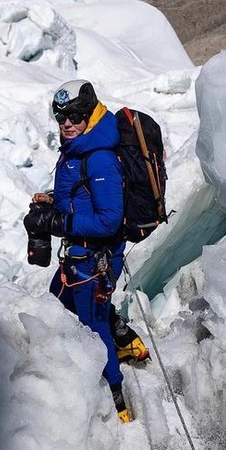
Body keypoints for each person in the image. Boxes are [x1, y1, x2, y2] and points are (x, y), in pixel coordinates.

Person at [24, 79, 149, 423]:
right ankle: (123, 336)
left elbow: (108, 220)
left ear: (91, 113)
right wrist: (55, 201)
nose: (67, 122)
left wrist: (59, 223)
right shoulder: (79, 148)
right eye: (61, 116)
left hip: (94, 260)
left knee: (93, 328)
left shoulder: (99, 158)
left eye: (75, 115)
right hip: (79, 257)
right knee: (58, 302)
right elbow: (85, 195)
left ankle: (117, 400)